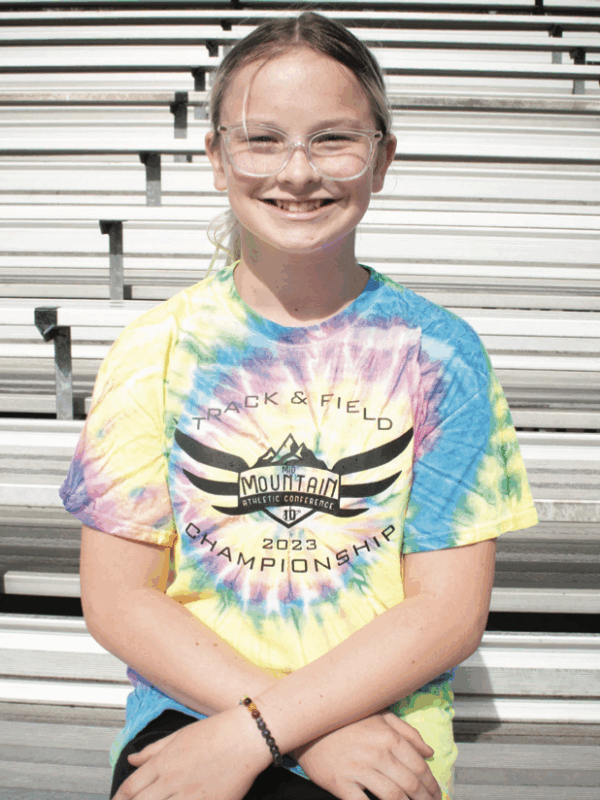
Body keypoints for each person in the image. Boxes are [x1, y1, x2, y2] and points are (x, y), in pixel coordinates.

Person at [60, 12, 538, 800]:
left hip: (380, 727)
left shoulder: (440, 354)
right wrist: (269, 726)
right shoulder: (155, 349)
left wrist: (272, 728)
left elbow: (448, 614)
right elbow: (118, 594)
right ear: (216, 158)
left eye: (332, 139)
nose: (297, 171)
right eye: (262, 138)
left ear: (382, 159)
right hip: (190, 713)